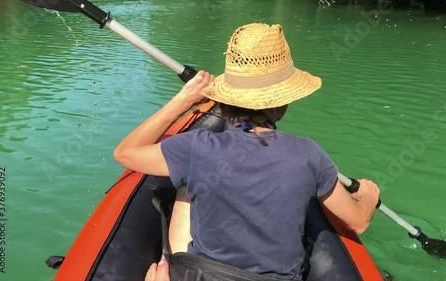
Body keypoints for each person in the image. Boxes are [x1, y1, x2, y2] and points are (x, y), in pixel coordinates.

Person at [114, 23, 380, 280]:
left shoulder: (196, 148)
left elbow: (126, 152)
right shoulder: (309, 154)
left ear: (229, 97)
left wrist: (184, 98)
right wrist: (368, 198)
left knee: (186, 187)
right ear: (283, 102)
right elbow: (358, 223)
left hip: (203, 276)